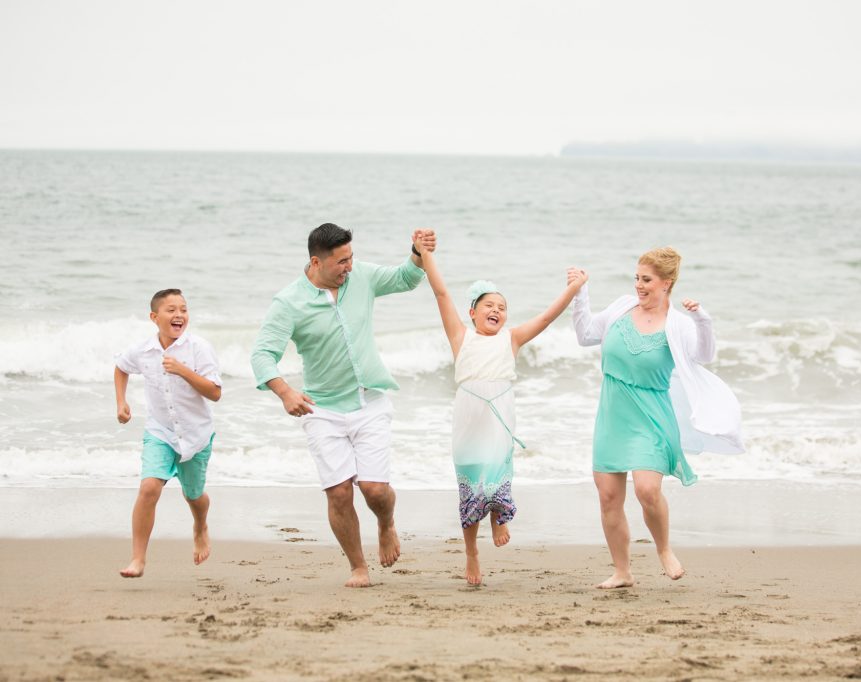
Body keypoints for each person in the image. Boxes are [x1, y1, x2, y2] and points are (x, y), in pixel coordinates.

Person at [250, 223, 433, 588]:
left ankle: (385, 524)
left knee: (375, 491)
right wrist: (286, 392)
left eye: (351, 258)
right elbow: (262, 355)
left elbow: (405, 278)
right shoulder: (288, 302)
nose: (349, 266)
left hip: (370, 401)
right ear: (316, 262)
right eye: (341, 262)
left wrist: (417, 252)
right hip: (322, 410)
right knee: (338, 492)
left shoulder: (360, 276)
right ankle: (358, 567)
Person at [414, 233, 585, 585]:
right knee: (471, 483)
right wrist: (425, 254)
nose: (496, 311)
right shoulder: (461, 337)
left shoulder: (513, 338)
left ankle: (498, 517)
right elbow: (441, 294)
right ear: (473, 312)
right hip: (467, 418)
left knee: (496, 472)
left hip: (499, 415)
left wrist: (574, 288)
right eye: (489, 305)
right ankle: (472, 552)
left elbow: (548, 317)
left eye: (502, 307)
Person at [569, 247, 743, 589]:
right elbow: (586, 334)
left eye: (646, 280)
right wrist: (581, 293)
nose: (639, 285)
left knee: (648, 490)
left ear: (667, 282)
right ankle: (622, 572)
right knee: (608, 497)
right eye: (636, 278)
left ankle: (664, 549)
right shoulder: (621, 308)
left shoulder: (677, 325)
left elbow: (704, 355)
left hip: (652, 416)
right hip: (612, 413)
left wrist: (702, 320)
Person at [114, 288, 223, 578]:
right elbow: (121, 366)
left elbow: (215, 393)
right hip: (160, 432)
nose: (179, 315)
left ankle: (200, 526)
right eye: (171, 310)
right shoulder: (143, 350)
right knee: (149, 488)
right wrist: (121, 402)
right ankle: (138, 559)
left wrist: (183, 370)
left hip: (195, 434)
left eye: (184, 309)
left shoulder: (198, 347)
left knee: (194, 495)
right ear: (154, 317)